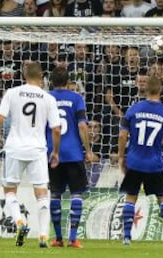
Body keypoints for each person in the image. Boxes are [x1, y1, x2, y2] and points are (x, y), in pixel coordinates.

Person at [0, 62, 61, 247]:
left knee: (10, 191)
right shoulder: (48, 98)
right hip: (37, 149)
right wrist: (55, 151)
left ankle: (20, 222)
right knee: (42, 194)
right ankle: (44, 236)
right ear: (41, 78)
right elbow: (56, 129)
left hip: (14, 148)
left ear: (24, 75)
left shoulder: (12, 93)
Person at [118, 75, 163, 245]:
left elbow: (122, 134)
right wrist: (159, 142)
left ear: (145, 90)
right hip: (154, 162)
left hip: (134, 160)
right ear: (161, 90)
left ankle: (127, 237)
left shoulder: (134, 108)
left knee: (131, 197)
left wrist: (121, 155)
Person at [46, 67, 92, 248]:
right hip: (73, 154)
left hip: (52, 154)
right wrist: (88, 150)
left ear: (51, 81)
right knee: (76, 195)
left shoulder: (46, 98)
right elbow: (82, 125)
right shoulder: (76, 98)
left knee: (55, 194)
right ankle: (73, 238)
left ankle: (57, 238)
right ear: (68, 82)